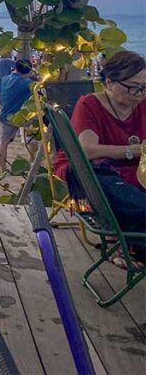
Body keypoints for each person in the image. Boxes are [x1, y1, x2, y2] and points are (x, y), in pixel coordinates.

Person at [54, 51, 145, 264]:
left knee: (133, 195)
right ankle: (124, 244)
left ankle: (130, 246)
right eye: (133, 86)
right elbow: (87, 150)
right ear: (110, 83)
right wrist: (132, 150)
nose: (140, 93)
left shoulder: (143, 104)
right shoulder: (90, 104)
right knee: (98, 176)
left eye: (145, 86)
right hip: (91, 171)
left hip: (134, 172)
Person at [0, 60, 34, 172]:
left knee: (3, 143)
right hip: (22, 118)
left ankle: (2, 169)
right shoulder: (27, 83)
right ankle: (31, 164)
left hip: (6, 116)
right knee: (33, 142)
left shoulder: (5, 79)